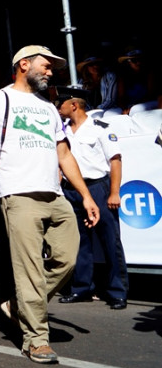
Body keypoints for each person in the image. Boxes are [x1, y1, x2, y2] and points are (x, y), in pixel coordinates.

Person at [0, 45, 100, 364]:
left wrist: (86, 195)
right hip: (18, 195)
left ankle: (19, 305)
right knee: (29, 268)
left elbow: (64, 155)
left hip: (55, 196)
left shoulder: (48, 108)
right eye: (45, 66)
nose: (50, 72)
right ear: (23, 65)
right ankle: (36, 339)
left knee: (66, 259)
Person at [55, 89, 127, 309]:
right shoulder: (63, 130)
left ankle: (117, 291)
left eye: (62, 103)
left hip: (97, 187)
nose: (59, 107)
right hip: (71, 189)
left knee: (109, 239)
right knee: (78, 240)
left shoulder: (100, 128)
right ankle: (82, 287)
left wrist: (114, 192)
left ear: (74, 105)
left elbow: (115, 160)